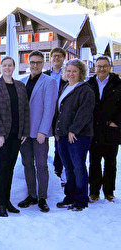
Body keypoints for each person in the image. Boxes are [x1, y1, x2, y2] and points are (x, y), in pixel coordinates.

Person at [0, 56, 30, 217]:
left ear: (14, 67)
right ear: (1, 67)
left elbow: (25, 110)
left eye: (10, 65)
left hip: (16, 135)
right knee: (0, 168)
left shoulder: (20, 86)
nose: (7, 68)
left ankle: (7, 200)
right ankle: (0, 204)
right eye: (4, 65)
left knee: (10, 168)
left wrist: (25, 131)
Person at [18, 50, 57, 212]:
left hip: (39, 132)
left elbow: (49, 109)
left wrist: (43, 131)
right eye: (32, 62)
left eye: (38, 62)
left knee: (41, 165)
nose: (35, 65)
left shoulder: (49, 82)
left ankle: (42, 197)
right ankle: (32, 195)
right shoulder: (22, 81)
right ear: (29, 63)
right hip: (24, 133)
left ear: (43, 64)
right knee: (27, 164)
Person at [55, 59, 95, 211]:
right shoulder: (65, 87)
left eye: (74, 71)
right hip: (63, 135)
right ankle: (69, 196)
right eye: (69, 71)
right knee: (68, 167)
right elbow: (59, 112)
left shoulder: (85, 89)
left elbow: (84, 112)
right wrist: (57, 131)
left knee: (78, 167)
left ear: (81, 73)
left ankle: (81, 199)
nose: (71, 74)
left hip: (78, 135)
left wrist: (74, 129)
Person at [87, 56, 121, 203]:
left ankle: (109, 192)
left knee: (110, 163)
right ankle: (94, 192)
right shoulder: (89, 84)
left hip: (111, 130)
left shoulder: (118, 84)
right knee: (94, 162)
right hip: (93, 130)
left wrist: (117, 122)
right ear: (95, 67)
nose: (101, 69)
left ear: (110, 67)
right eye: (99, 66)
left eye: (104, 66)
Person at [44, 47, 68, 182]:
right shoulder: (45, 74)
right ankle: (45, 169)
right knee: (43, 140)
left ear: (63, 58)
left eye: (59, 56)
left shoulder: (67, 74)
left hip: (61, 113)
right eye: (54, 56)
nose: (56, 58)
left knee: (59, 144)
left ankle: (58, 172)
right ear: (51, 58)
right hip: (48, 112)